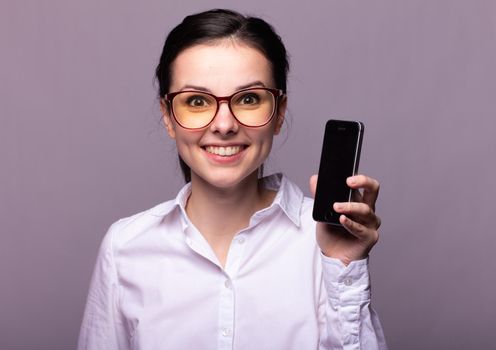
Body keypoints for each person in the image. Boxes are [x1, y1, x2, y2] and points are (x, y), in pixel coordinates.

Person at [78, 9, 388, 350]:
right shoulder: (125, 247)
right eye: (196, 101)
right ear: (168, 117)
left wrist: (345, 267)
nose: (224, 124)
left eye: (248, 99)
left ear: (279, 112)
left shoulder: (322, 241)